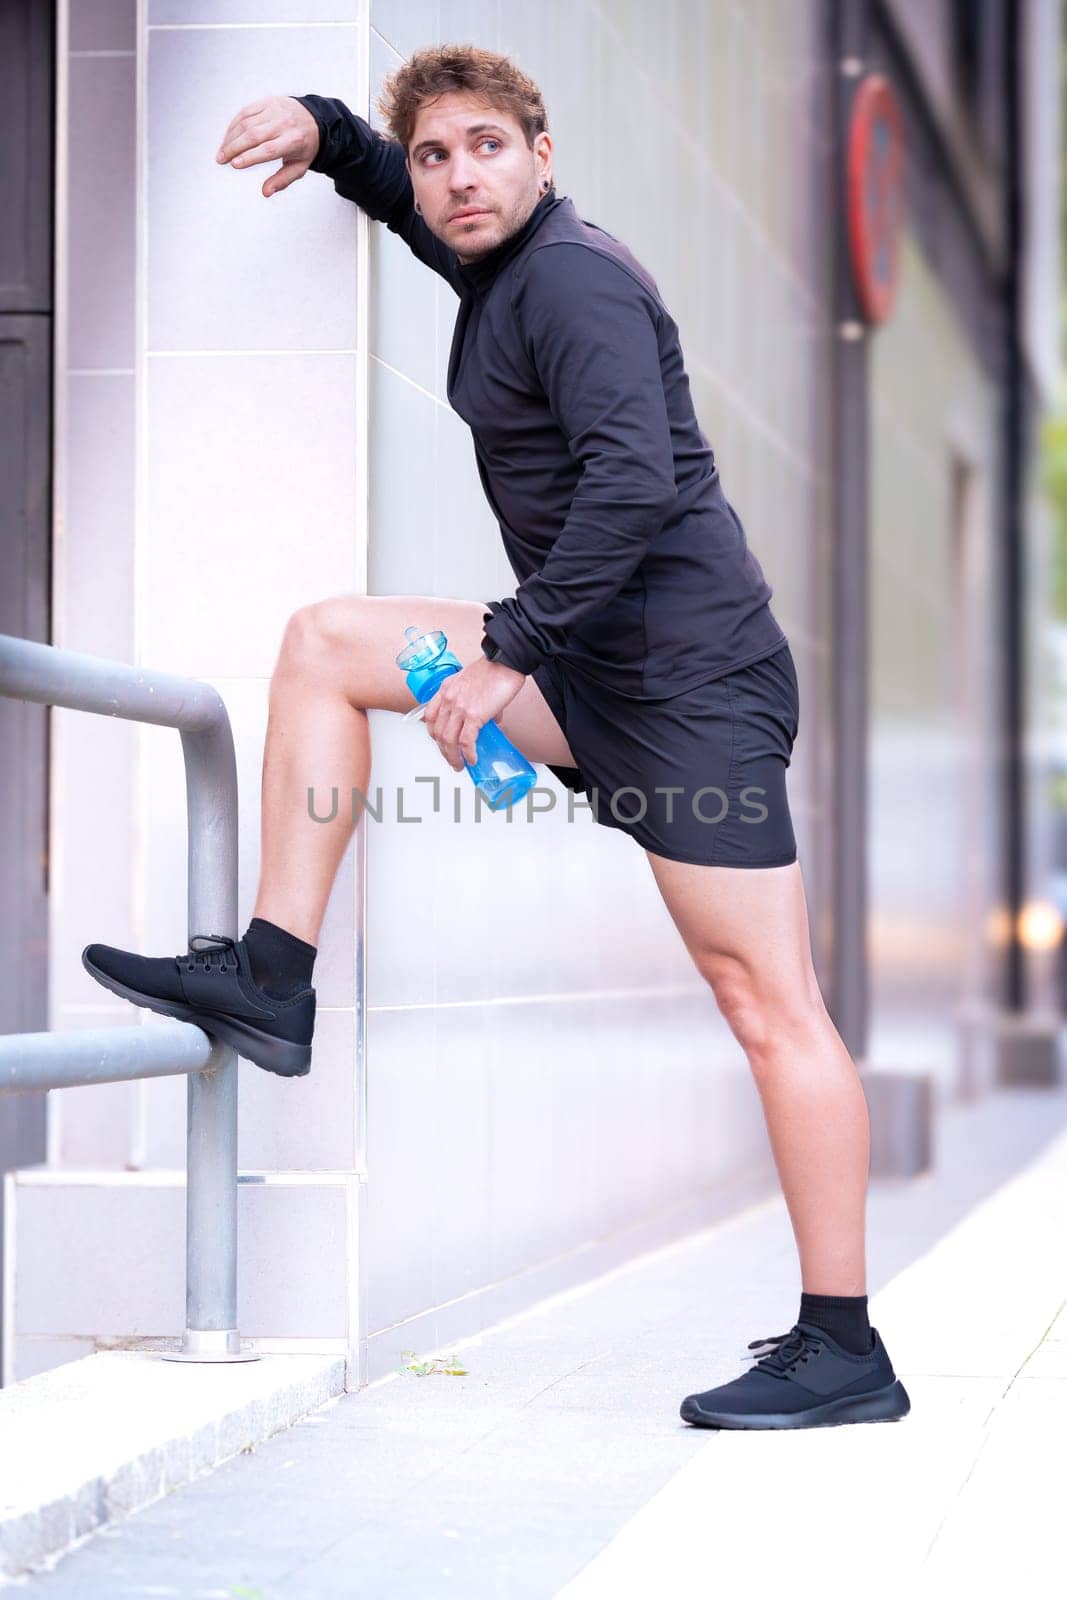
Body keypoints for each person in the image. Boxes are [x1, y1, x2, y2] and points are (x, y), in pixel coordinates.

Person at [82, 44, 910, 1432]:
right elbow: (409, 202)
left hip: (689, 691)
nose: (458, 176)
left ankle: (845, 1349)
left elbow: (635, 483)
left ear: (542, 152)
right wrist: (337, 133)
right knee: (333, 646)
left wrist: (505, 654)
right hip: (595, 670)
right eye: (435, 153)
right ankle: (274, 976)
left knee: (771, 1006)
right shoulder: (496, 258)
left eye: (485, 146)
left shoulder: (573, 279)